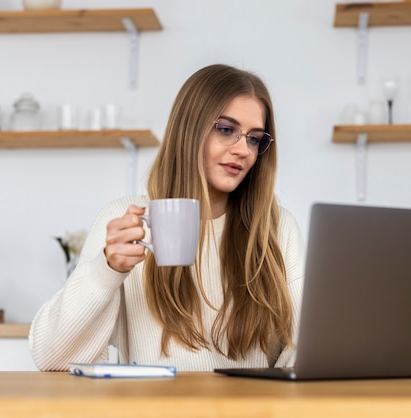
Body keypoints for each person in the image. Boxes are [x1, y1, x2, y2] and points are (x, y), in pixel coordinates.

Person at [29, 64, 305, 372]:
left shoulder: (277, 229)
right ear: (188, 130)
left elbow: (303, 349)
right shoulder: (127, 221)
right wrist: (106, 269)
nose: (243, 150)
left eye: (254, 139)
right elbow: (52, 359)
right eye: (226, 130)